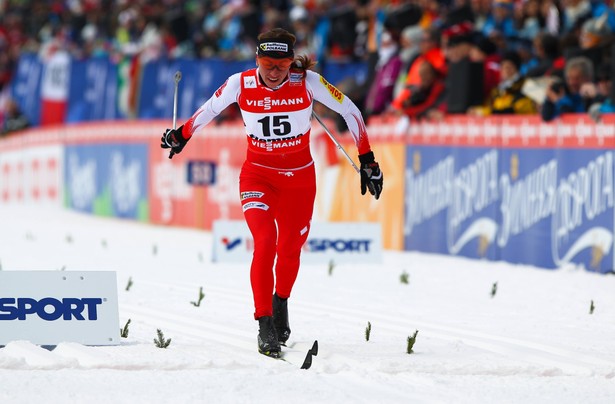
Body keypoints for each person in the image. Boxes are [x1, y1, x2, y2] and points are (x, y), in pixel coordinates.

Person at [160, 28, 383, 358]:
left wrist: (366, 158)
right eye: (267, 64)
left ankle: (281, 302)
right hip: (258, 177)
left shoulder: (307, 82)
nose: (274, 72)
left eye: (281, 65)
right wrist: (182, 135)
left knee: (290, 249)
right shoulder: (241, 83)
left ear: (292, 62)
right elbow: (208, 110)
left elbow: (350, 110)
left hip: (299, 181)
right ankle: (265, 324)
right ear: (257, 60)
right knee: (264, 241)